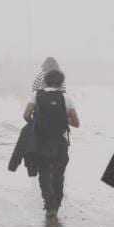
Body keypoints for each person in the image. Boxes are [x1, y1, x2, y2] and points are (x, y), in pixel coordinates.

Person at [23, 68, 79, 216]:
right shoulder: (66, 98)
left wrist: (36, 124)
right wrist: (64, 120)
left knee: (45, 172)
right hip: (60, 142)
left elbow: (26, 115)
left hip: (42, 142)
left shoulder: (36, 95)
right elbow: (76, 123)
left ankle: (50, 205)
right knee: (59, 174)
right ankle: (57, 202)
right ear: (61, 83)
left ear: (45, 81)